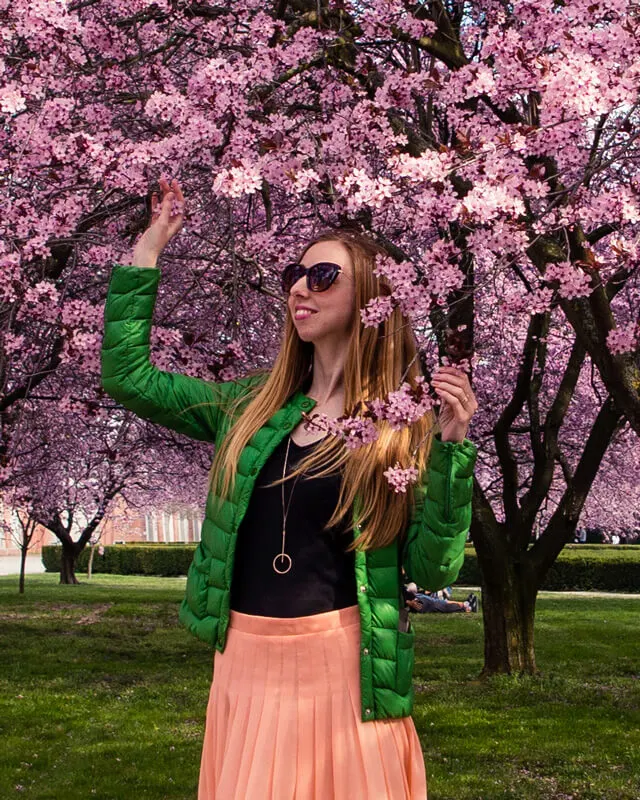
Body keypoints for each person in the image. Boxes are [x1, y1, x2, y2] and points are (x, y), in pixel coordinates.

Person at [101, 177, 479, 799]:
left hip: (346, 670)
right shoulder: (247, 405)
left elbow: (431, 565)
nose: (300, 288)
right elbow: (128, 376)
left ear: (372, 298)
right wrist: (147, 255)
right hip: (245, 663)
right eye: (293, 276)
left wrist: (452, 450)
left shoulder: (402, 427)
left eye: (323, 276)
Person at [403, 582, 478, 613]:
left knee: (438, 602)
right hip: (413, 602)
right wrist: (408, 602)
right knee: (437, 604)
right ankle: (467, 607)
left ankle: (465, 604)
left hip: (415, 597)